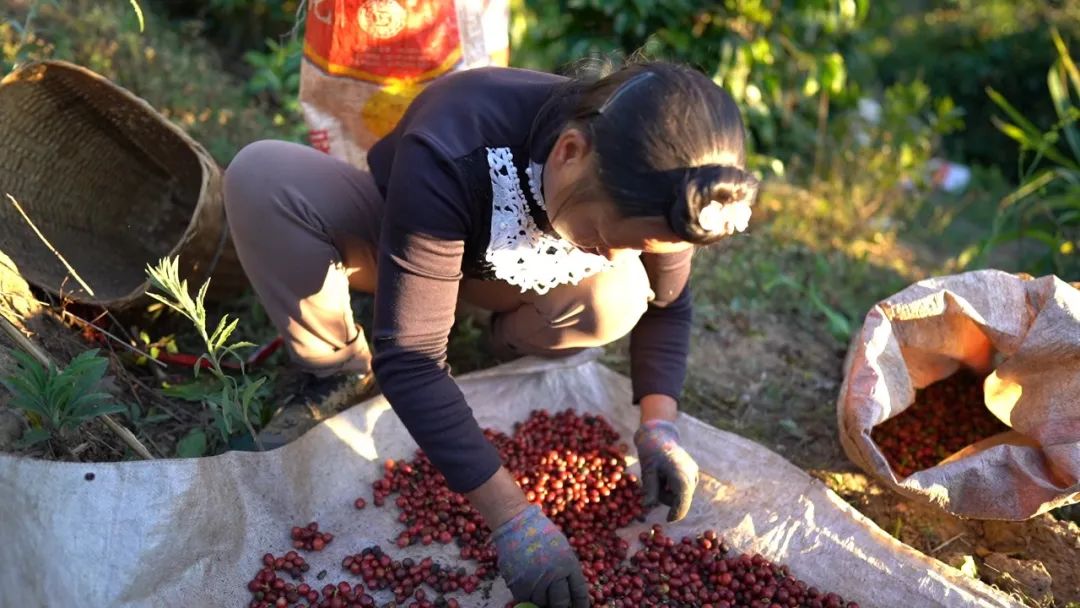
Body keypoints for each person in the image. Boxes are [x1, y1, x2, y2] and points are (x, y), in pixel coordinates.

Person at [223, 57, 759, 608]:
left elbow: (668, 304)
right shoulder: (457, 140)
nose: (621, 255)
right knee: (263, 179)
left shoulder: (665, 197)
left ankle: (499, 340)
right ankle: (341, 364)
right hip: (403, 243)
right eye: (605, 236)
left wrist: (658, 425)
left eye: (643, 248)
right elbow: (410, 359)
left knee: (619, 293)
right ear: (569, 153)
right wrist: (512, 515)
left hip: (508, 283)